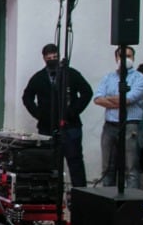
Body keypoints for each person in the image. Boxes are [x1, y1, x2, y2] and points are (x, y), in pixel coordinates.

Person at [20, 43, 93, 187]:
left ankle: (80, 194)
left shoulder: (70, 74)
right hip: (47, 126)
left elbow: (87, 92)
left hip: (70, 125)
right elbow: (27, 97)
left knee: (75, 161)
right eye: (49, 57)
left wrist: (73, 111)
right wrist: (38, 114)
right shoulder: (39, 77)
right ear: (44, 58)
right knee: (49, 162)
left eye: (55, 56)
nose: (52, 59)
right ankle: (52, 194)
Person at [93, 45, 143, 189]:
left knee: (131, 167)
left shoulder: (140, 78)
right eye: (121, 56)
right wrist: (119, 101)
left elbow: (129, 99)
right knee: (107, 168)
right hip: (110, 125)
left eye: (129, 56)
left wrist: (110, 99)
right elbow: (97, 99)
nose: (125, 59)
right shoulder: (108, 77)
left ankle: (132, 201)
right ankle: (107, 200)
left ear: (133, 58)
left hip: (131, 125)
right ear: (116, 58)